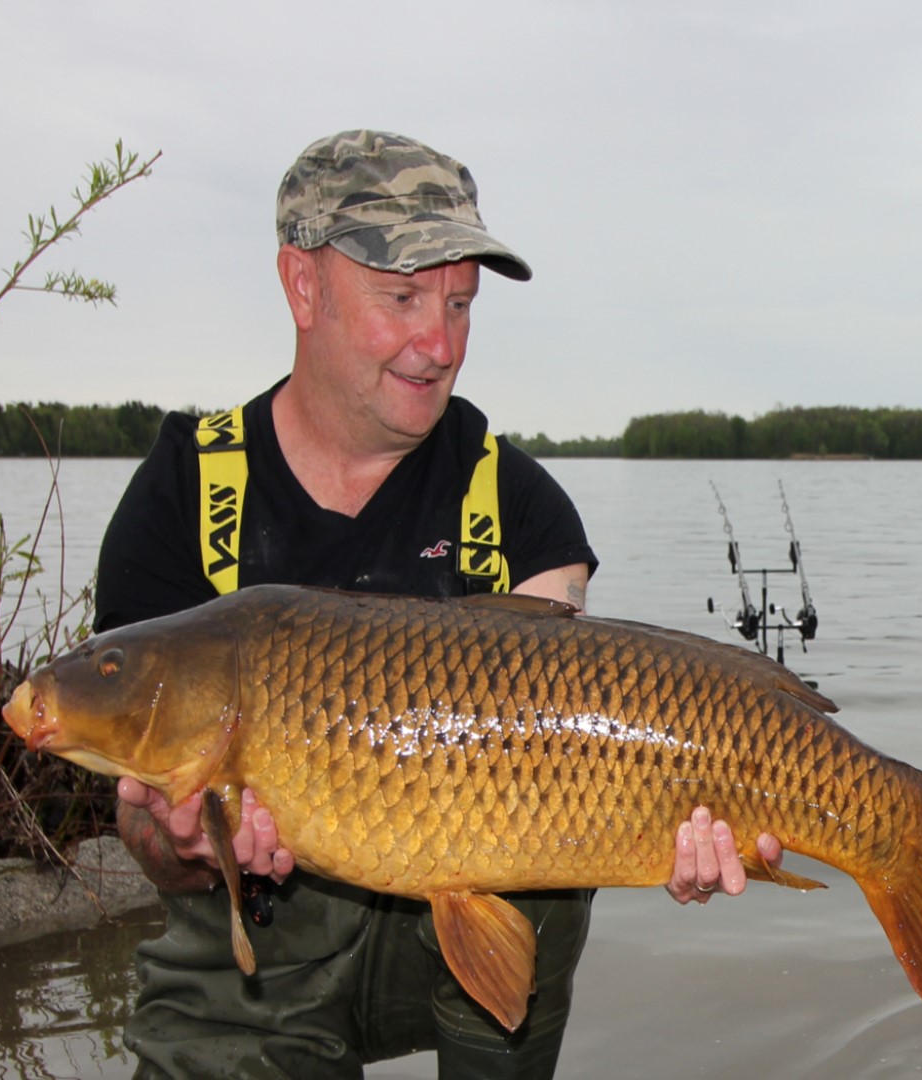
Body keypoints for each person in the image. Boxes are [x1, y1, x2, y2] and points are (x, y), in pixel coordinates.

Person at [96, 130, 779, 1079]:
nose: (440, 343)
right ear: (304, 286)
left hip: (467, 953)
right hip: (257, 952)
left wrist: (673, 821)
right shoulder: (184, 492)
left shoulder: (519, 503)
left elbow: (589, 729)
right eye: (403, 297)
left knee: (540, 792)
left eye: (460, 304)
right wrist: (185, 845)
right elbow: (135, 822)